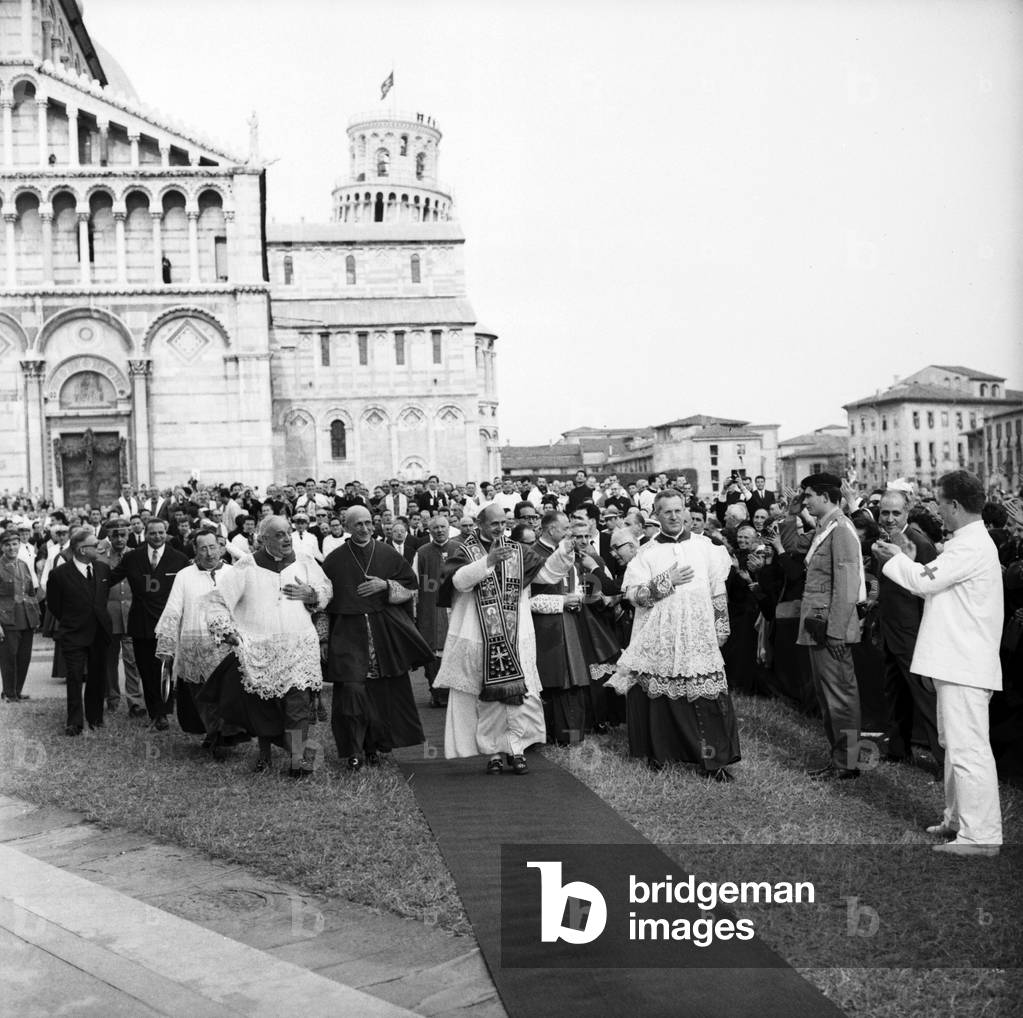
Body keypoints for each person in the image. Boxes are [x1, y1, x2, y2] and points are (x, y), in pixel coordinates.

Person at [874, 471, 1004, 856]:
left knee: (969, 750)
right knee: (954, 744)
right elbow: (934, 579)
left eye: (942, 505)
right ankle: (958, 819)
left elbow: (924, 582)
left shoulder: (970, 546)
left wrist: (897, 558)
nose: (937, 512)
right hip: (957, 661)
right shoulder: (966, 544)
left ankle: (981, 836)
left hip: (964, 663)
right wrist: (910, 561)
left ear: (955, 506)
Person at [433, 502, 576, 774]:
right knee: (485, 700)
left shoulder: (519, 551)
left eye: (504, 523)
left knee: (520, 698)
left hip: (515, 636)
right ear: (480, 524)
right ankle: (493, 753)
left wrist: (563, 554)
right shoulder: (462, 550)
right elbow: (458, 582)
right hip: (479, 637)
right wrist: (487, 561)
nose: (500, 528)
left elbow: (544, 575)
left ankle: (517, 750)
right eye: (494, 524)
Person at [609, 491, 739, 780]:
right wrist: (666, 582)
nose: (674, 516)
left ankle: (713, 762)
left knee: (706, 696)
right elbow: (633, 595)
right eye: (667, 511)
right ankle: (662, 754)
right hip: (661, 634)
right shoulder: (648, 552)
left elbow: (718, 590)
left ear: (685, 511)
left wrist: (721, 625)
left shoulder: (706, 546)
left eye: (679, 510)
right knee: (661, 697)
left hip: (698, 632)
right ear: (657, 514)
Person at [203, 516, 330, 776]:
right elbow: (217, 602)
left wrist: (313, 594)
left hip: (299, 646)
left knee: (297, 705)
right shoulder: (246, 567)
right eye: (279, 535)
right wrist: (226, 630)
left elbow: (326, 588)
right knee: (263, 705)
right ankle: (264, 756)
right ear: (263, 540)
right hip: (260, 648)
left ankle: (297, 760)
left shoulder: (304, 561)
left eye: (288, 533)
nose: (286, 538)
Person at [321, 505, 432, 771]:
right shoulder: (334, 560)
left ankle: (375, 747)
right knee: (351, 692)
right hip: (348, 634)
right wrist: (324, 639)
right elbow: (324, 603)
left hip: (382, 634)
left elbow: (411, 588)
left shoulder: (387, 554)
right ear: (347, 527)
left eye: (368, 523)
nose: (365, 528)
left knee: (382, 695)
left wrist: (385, 586)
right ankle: (354, 750)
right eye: (358, 524)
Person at [797, 473, 865, 780]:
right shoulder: (827, 527)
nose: (805, 501)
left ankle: (848, 763)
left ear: (826, 497)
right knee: (829, 698)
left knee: (841, 698)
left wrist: (837, 630)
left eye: (809, 495)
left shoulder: (840, 529)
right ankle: (840, 759)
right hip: (819, 626)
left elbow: (848, 585)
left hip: (830, 629)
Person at [874, 490, 943, 770]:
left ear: (907, 512)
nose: (889, 518)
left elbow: (929, 589)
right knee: (896, 693)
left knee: (926, 698)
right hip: (889, 632)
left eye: (895, 513)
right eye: (885, 512)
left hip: (914, 634)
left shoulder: (919, 543)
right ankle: (898, 750)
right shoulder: (883, 542)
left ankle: (944, 761)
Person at [155, 531, 236, 750]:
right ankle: (214, 733)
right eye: (203, 548)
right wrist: (167, 645)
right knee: (202, 695)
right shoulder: (184, 575)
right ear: (195, 551)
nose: (210, 553)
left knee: (227, 693)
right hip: (194, 647)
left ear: (221, 547)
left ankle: (225, 733)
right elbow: (173, 610)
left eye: (213, 547)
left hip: (227, 646)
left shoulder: (233, 573)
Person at [108, 519, 190, 730]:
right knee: (146, 670)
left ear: (166, 533)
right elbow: (111, 578)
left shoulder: (178, 559)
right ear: (145, 534)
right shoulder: (132, 557)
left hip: (167, 624)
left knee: (164, 668)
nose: (157, 536)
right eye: (153, 533)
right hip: (140, 623)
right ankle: (155, 712)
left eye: (161, 532)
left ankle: (163, 711)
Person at [46, 529, 112, 735]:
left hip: (99, 633)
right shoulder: (59, 574)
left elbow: (102, 599)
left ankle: (95, 717)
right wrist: (74, 619)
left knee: (97, 676)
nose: (99, 546)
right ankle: (74, 722)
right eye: (95, 544)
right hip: (73, 634)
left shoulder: (102, 569)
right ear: (83, 550)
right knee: (74, 678)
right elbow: (55, 605)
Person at [97, 517, 144, 717]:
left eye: (123, 534)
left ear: (129, 534)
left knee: (132, 660)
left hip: (132, 613)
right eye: (114, 535)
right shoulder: (101, 558)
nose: (119, 539)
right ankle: (113, 699)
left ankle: (135, 701)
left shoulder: (137, 555)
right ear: (108, 535)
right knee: (109, 660)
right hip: (109, 615)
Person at [413, 515, 458, 708]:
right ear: (429, 531)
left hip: (456, 605)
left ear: (449, 528)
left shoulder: (459, 548)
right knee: (432, 650)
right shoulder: (422, 552)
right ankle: (436, 692)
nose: (439, 530)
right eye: (435, 528)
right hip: (431, 607)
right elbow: (414, 582)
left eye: (442, 527)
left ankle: (455, 694)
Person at [0, 529, 40, 702]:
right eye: (7, 545)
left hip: (27, 618)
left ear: (19, 545)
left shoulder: (23, 564)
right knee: (9, 658)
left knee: (24, 657)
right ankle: (9, 693)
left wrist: (35, 616)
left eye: (15, 544)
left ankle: (17, 690)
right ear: (2, 547)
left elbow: (31, 592)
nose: (11, 548)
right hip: (7, 619)